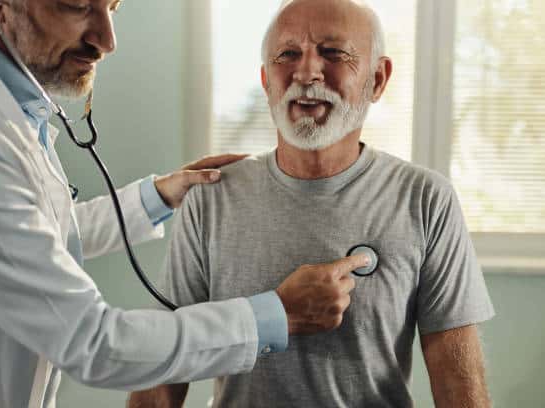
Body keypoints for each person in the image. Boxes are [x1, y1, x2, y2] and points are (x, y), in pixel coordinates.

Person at [0, 1, 372, 407]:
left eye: (112, 6)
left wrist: (159, 195)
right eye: (78, 5)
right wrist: (277, 314)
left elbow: (23, 238)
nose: (106, 40)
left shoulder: (6, 106)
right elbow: (95, 344)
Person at [129, 0, 495, 407]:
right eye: (288, 55)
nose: (305, 73)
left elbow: (457, 379)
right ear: (266, 81)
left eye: (333, 53)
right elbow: (164, 366)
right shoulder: (211, 198)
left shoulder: (426, 199)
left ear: (377, 78)